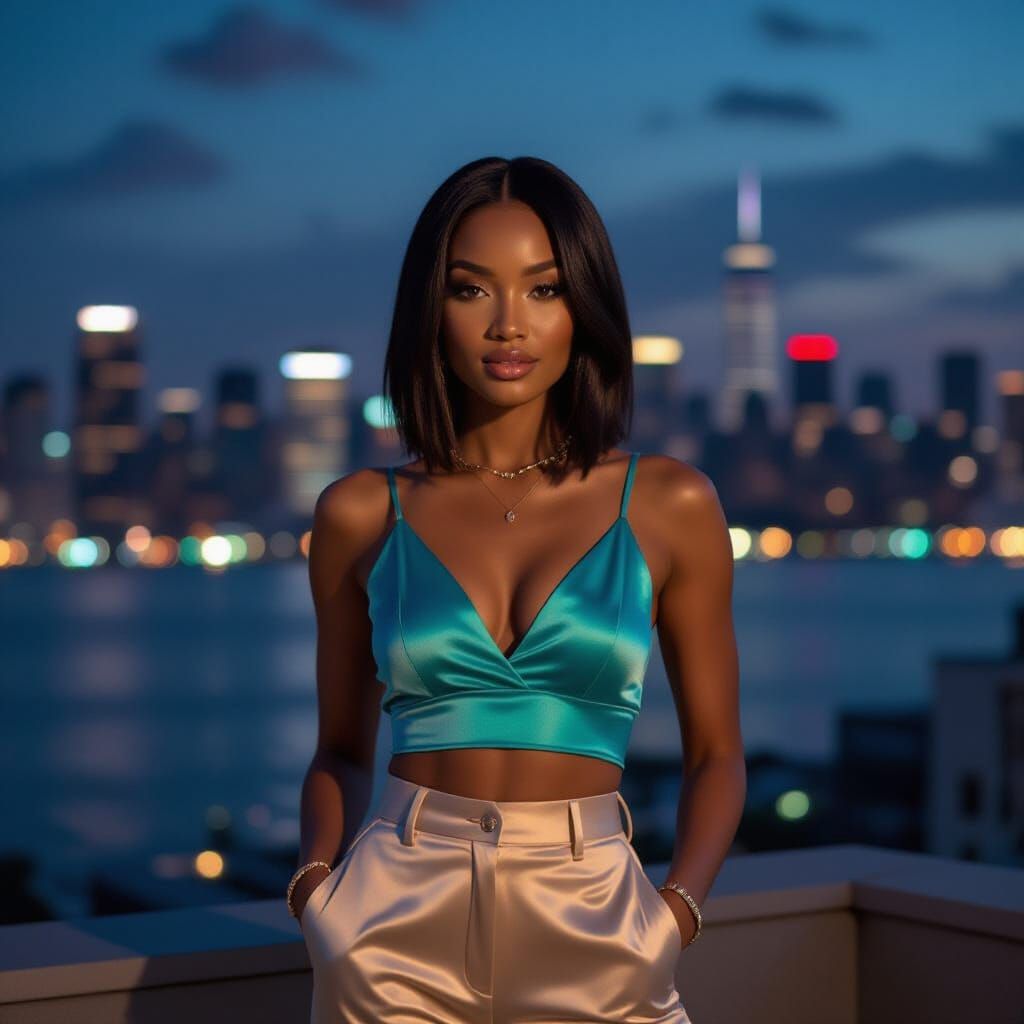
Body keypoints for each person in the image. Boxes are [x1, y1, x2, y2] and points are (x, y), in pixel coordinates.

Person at [287, 156, 745, 1023]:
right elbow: (340, 749)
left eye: (542, 290)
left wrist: (675, 912)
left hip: (599, 917)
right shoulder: (358, 514)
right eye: (471, 291)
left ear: (585, 307)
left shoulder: (669, 503)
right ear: (432, 309)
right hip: (390, 919)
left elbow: (716, 754)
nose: (508, 326)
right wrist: (317, 890)